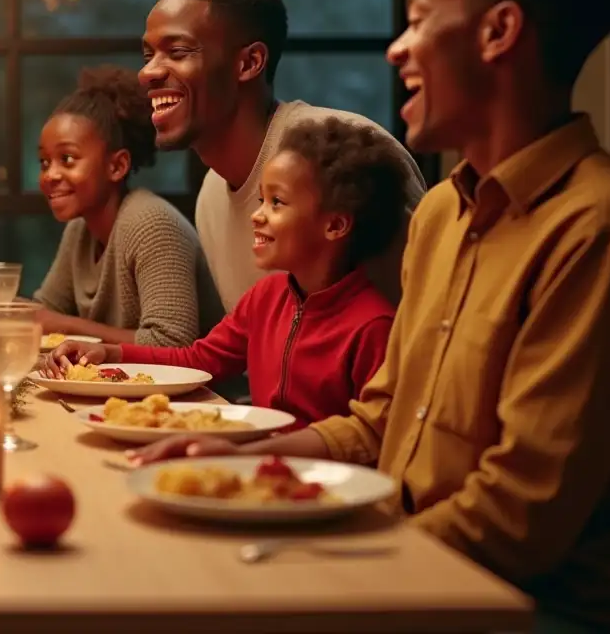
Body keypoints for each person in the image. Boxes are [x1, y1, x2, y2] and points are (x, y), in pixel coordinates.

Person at [130, 0, 610, 631]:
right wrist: (236, 451)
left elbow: (516, 518)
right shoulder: (440, 214)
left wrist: (328, 560)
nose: (398, 47)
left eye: (422, 20)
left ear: (499, 32)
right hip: (412, 564)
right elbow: (377, 422)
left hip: (528, 606)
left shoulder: (598, 227)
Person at [45, 117, 407, 428]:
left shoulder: (372, 327)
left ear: (335, 225)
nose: (257, 214)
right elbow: (198, 360)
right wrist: (110, 354)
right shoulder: (266, 297)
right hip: (258, 462)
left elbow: (371, 437)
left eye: (276, 202)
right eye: (261, 199)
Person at [141, 0, 427, 313]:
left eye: (178, 52)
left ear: (249, 63)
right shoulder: (211, 196)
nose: (148, 72)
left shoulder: (342, 152)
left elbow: (423, 317)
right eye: (148, 54)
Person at [0, 66, 220, 346]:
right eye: (44, 162)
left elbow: (172, 343)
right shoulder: (80, 230)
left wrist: (67, 326)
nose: (50, 175)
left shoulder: (151, 224)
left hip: (210, 390)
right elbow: (48, 311)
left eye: (67, 159)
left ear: (117, 166)